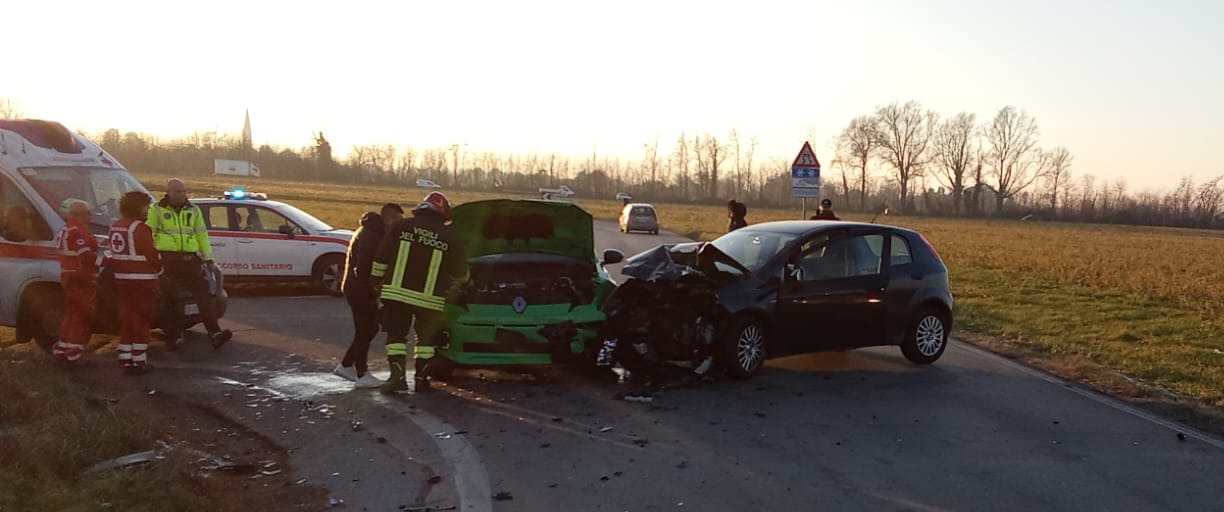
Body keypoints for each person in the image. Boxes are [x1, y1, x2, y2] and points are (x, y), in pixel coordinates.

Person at [370, 192, 469, 394]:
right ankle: (422, 380)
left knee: (396, 338)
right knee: (426, 342)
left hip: (397, 295)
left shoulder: (400, 227)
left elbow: (381, 258)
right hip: (430, 300)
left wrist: (374, 282)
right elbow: (460, 273)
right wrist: (467, 281)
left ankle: (397, 379)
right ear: (444, 214)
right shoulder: (449, 237)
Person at [146, 178, 232, 348]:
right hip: (168, 258)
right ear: (169, 193)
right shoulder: (156, 210)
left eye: (184, 191)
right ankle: (175, 335)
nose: (182, 195)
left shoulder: (193, 210)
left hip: (190, 258)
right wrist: (154, 259)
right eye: (178, 191)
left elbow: (201, 235)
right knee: (169, 297)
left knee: (204, 295)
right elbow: (150, 235)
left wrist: (208, 259)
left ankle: (214, 333)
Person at [334, 203, 404, 389]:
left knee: (368, 328)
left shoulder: (372, 231)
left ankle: (346, 365)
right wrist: (373, 288)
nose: (399, 224)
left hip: (358, 288)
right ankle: (361, 374)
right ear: (389, 218)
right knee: (365, 329)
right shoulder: (372, 235)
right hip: (360, 289)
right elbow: (364, 266)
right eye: (398, 220)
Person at [107, 191, 161, 375]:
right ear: (138, 207)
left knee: (127, 319)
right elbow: (151, 254)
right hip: (142, 281)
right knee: (142, 320)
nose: (148, 210)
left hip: (122, 280)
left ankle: (125, 357)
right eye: (146, 206)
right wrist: (160, 268)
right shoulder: (140, 228)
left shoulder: (115, 226)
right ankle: (139, 360)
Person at [53, 199, 99, 363]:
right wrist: (106, 261)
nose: (90, 215)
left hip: (69, 276)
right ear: (78, 215)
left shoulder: (66, 230)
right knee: (82, 313)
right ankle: (74, 349)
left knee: (71, 313)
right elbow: (86, 256)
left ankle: (62, 346)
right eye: (87, 213)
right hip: (80, 278)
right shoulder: (77, 232)